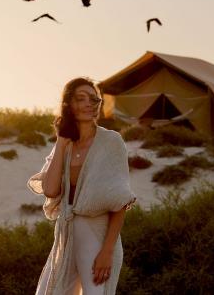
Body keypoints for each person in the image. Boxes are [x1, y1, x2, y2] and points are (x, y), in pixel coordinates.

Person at [27, 77, 137, 294]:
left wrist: (106, 251)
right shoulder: (65, 144)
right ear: (69, 105)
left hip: (97, 235)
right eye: (81, 98)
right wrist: (60, 142)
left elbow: (120, 202)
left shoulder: (111, 142)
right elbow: (50, 190)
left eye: (93, 99)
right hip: (66, 235)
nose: (89, 103)